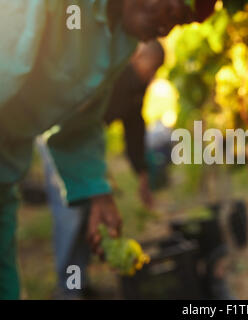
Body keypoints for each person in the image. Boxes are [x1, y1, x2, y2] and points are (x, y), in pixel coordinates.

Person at [0, 0, 211, 300]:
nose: (164, 28)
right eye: (172, 9)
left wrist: (98, 191)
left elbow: (81, 123)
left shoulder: (120, 42)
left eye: (176, 23)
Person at [35, 40, 165, 299]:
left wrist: (141, 174)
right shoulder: (115, 74)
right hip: (60, 137)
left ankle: (78, 282)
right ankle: (66, 289)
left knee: (87, 217)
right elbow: (75, 117)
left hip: (83, 146)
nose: (153, 74)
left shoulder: (137, 89)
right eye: (152, 66)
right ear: (139, 57)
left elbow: (135, 129)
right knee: (70, 214)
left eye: (157, 69)